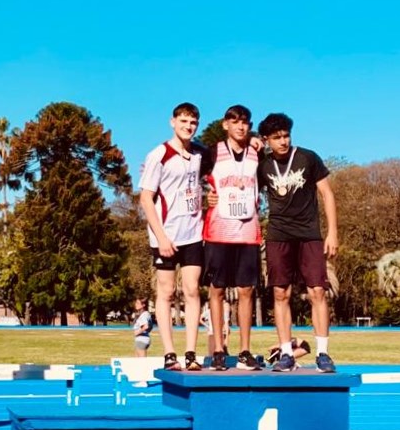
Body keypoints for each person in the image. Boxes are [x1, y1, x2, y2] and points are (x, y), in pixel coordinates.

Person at [257, 113, 339, 373]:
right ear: (267, 140)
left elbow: (327, 193)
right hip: (279, 235)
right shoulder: (263, 165)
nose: (282, 141)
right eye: (276, 137)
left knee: (317, 291)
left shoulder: (308, 158)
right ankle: (285, 353)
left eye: (286, 135)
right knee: (281, 293)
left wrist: (333, 232)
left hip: (309, 235)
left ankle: (323, 353)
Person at [139, 102, 208, 371]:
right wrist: (161, 237)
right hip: (165, 235)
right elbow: (146, 198)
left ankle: (190, 352)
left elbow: (227, 146)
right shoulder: (159, 154)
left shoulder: (200, 152)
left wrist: (254, 141)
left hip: (192, 233)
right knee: (166, 292)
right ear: (172, 122)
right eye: (183, 122)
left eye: (193, 123)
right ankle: (170, 353)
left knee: (192, 290)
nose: (188, 127)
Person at [202, 104, 264, 371]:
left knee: (246, 290)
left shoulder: (257, 152)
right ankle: (218, 350)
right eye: (235, 121)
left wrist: (257, 141)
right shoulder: (212, 152)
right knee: (216, 289)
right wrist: (206, 195)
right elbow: (191, 177)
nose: (240, 126)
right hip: (219, 230)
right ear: (225, 124)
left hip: (248, 232)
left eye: (245, 122)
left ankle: (245, 351)